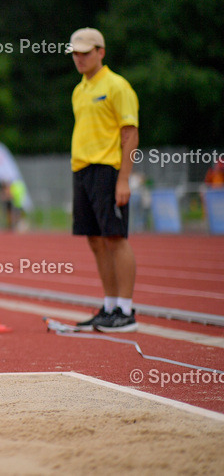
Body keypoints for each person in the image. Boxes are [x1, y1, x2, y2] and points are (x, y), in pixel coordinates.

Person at [68, 28, 139, 333]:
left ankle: (125, 309)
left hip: (108, 170)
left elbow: (130, 134)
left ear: (101, 52)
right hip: (82, 170)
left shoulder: (117, 86)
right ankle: (109, 307)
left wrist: (124, 180)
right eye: (75, 52)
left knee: (115, 238)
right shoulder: (78, 90)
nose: (79, 58)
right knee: (95, 240)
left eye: (85, 52)